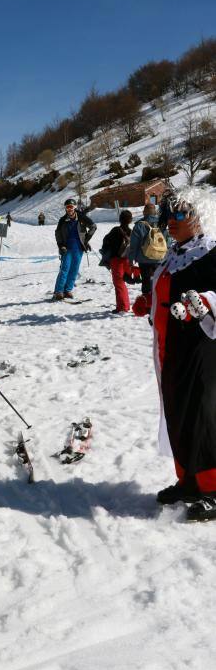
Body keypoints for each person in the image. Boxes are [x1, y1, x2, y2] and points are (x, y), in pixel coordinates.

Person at [132, 193, 216, 521]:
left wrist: (207, 302)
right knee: (178, 413)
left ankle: (212, 488)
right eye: (169, 217)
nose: (171, 222)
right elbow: (165, 294)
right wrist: (149, 303)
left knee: (202, 416)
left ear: (198, 218)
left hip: (201, 350)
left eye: (179, 217)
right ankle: (189, 481)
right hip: (171, 352)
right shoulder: (173, 256)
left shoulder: (210, 252)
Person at [53, 198, 96, 300]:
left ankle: (68, 290)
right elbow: (58, 233)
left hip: (78, 248)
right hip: (66, 248)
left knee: (74, 269)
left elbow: (93, 226)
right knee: (64, 269)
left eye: (71, 207)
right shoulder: (62, 220)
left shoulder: (81, 217)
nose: (69, 209)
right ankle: (59, 291)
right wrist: (60, 245)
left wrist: (86, 240)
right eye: (67, 207)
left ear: (75, 207)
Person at [129, 203, 170, 295]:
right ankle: (157, 302)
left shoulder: (139, 225)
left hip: (144, 259)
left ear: (144, 212)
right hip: (160, 258)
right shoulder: (162, 224)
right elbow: (168, 242)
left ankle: (147, 304)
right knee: (158, 282)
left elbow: (134, 245)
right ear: (155, 212)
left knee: (146, 282)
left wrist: (131, 259)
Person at [100, 210, 133, 314]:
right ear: (130, 220)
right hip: (127, 260)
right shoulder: (131, 232)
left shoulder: (115, 230)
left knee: (119, 283)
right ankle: (126, 305)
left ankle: (122, 307)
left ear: (120, 219)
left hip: (116, 260)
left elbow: (106, 242)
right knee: (122, 283)